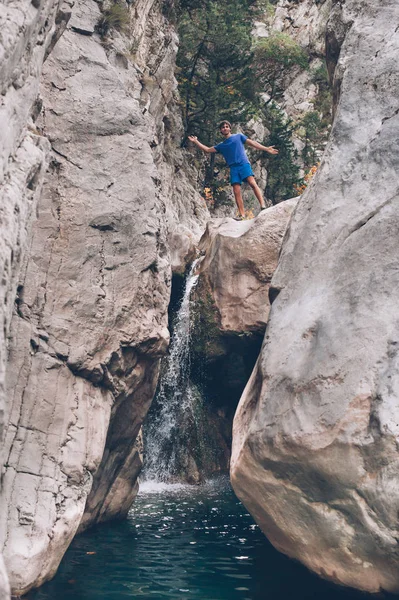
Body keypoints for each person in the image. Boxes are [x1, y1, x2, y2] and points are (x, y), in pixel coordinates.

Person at [188, 120, 278, 220]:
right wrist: (196, 141)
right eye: (223, 127)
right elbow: (208, 150)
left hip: (243, 164)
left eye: (227, 126)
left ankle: (263, 205)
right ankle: (242, 214)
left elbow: (252, 143)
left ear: (230, 128)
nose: (225, 128)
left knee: (252, 183)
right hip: (233, 168)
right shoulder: (221, 146)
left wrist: (266, 149)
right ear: (221, 131)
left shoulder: (238, 137)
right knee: (236, 191)